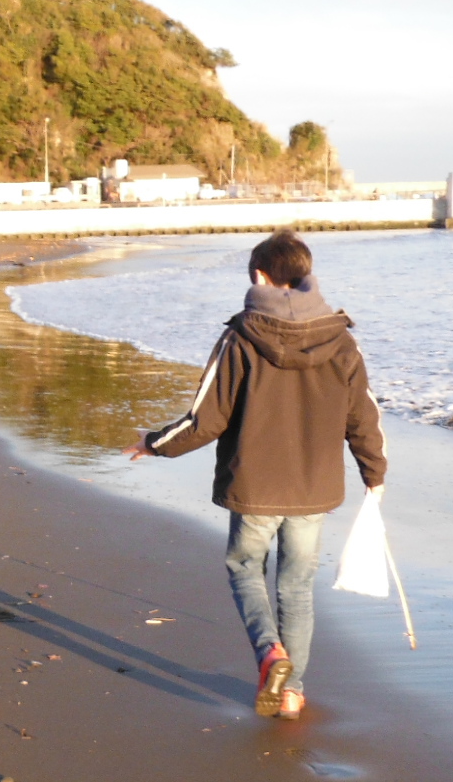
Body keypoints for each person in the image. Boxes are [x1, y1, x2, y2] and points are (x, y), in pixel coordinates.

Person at [126, 230, 387, 719]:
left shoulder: (240, 337)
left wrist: (154, 444)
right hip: (313, 488)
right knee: (296, 587)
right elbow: (363, 417)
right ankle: (292, 693)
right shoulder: (341, 338)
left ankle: (271, 653)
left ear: (259, 277)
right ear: (306, 275)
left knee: (245, 568)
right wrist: (375, 473)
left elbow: (207, 418)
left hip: (255, 486)